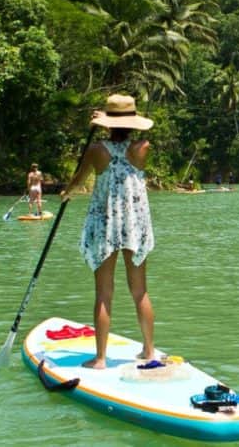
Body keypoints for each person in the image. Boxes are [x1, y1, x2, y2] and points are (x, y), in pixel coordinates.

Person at [62, 94, 156, 369]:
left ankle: (101, 358)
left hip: (105, 224)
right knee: (140, 291)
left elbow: (78, 178)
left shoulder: (96, 150)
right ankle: (149, 350)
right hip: (134, 225)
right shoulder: (143, 147)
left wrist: (67, 192)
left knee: (103, 293)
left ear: (107, 122)